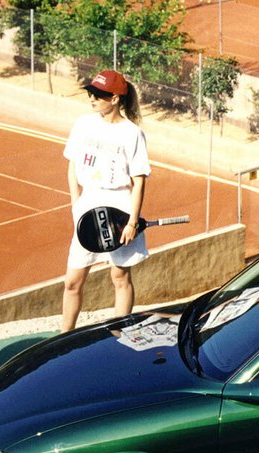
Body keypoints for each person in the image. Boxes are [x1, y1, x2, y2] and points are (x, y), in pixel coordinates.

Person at [61, 69, 152, 332]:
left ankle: (117, 333)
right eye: (91, 93)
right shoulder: (83, 124)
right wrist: (76, 203)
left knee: (120, 276)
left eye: (98, 95)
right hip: (88, 203)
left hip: (120, 207)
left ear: (114, 98)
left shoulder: (132, 133)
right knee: (72, 281)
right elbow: (72, 166)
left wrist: (132, 222)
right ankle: (63, 336)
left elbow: (139, 180)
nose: (92, 98)